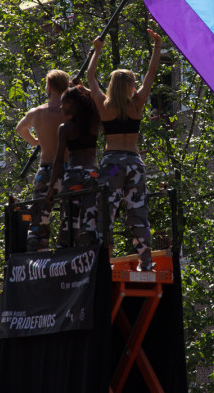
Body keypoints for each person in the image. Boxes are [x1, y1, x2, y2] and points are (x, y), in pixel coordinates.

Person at [87, 27, 162, 271]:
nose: (136, 86)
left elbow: (90, 77)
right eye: (133, 83)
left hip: (112, 164)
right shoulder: (137, 104)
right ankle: (146, 260)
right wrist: (157, 45)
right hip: (134, 163)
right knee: (137, 212)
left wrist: (96, 52)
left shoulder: (104, 105)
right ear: (129, 86)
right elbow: (152, 72)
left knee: (106, 212)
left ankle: (104, 259)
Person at [15, 69, 70, 251]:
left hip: (46, 170)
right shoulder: (71, 112)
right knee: (69, 216)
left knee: (39, 217)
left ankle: (38, 255)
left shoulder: (37, 113)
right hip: (69, 170)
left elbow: (20, 129)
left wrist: (36, 141)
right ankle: (66, 251)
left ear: (49, 86)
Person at [45, 85, 100, 248]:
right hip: (92, 175)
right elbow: (95, 98)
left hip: (73, 176)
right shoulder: (94, 122)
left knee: (69, 220)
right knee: (90, 219)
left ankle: (65, 253)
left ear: (73, 105)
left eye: (64, 104)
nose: (61, 107)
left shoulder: (65, 129)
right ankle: (91, 250)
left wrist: (51, 189)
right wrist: (82, 89)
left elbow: (58, 160)